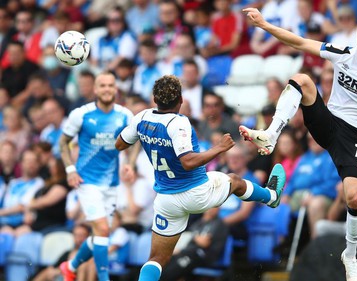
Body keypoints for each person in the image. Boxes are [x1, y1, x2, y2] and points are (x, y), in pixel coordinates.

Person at [240, 9, 357, 281]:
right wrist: (264, 24)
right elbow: (300, 42)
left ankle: (349, 255)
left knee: (354, 198)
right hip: (329, 121)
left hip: (355, 136)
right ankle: (271, 134)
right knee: (302, 79)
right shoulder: (345, 52)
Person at [114, 75, 286, 281]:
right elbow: (187, 161)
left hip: (166, 200)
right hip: (195, 192)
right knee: (235, 180)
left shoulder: (141, 117)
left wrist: (147, 139)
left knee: (157, 259)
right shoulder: (178, 123)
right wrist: (219, 148)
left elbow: (120, 144)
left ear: (154, 99)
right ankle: (271, 196)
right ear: (181, 99)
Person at [58, 72, 135, 281]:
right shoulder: (81, 114)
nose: (107, 89)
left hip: (111, 183)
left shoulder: (125, 115)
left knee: (101, 235)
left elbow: (134, 140)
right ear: (95, 89)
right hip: (86, 181)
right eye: (103, 86)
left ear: (116, 89)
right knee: (101, 229)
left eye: (111, 85)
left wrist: (129, 163)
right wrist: (70, 170)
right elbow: (63, 142)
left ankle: (71, 267)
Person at [161, 207, 229, 281]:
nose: (211, 209)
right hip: (188, 252)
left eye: (215, 207)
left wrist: (193, 237)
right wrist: (195, 237)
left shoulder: (218, 224)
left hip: (203, 255)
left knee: (176, 266)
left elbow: (204, 243)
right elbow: (188, 237)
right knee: (169, 259)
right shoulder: (199, 222)